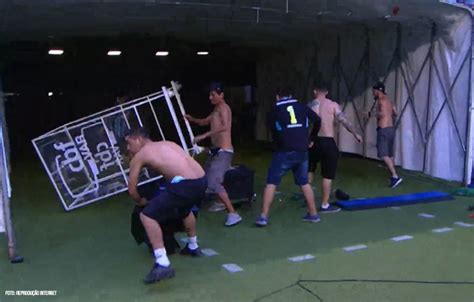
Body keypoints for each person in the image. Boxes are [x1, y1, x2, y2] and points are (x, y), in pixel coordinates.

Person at [125, 127, 207, 284]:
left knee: (147, 215)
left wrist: (140, 201)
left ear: (138, 139)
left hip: (186, 185)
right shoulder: (168, 143)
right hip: (201, 181)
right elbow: (178, 168)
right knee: (184, 209)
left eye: (128, 144)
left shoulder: (140, 155)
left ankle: (162, 263)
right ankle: (193, 246)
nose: (128, 148)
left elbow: (132, 189)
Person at [255, 87, 321, 227]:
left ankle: (263, 216)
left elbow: (272, 128)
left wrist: (279, 142)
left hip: (284, 151)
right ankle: (313, 214)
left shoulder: (275, 110)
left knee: (272, 182)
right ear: (291, 95)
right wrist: (311, 138)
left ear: (277, 97)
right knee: (304, 182)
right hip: (302, 150)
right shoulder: (302, 106)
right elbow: (318, 120)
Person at [184, 82, 242, 227]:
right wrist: (192, 119)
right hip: (215, 151)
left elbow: (225, 127)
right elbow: (205, 121)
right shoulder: (216, 109)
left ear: (221, 95)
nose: (210, 98)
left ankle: (233, 213)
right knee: (202, 176)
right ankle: (207, 203)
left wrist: (204, 136)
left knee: (214, 182)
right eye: (209, 95)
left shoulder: (224, 108)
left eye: (213, 95)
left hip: (224, 151)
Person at [307, 83, 362, 213]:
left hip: (313, 142)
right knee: (327, 175)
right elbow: (344, 121)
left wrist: (307, 140)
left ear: (315, 91)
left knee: (310, 170)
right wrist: (355, 134)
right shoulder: (332, 105)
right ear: (326, 92)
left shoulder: (310, 106)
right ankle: (325, 205)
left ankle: (307, 197)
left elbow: (305, 125)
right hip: (327, 142)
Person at [371, 82, 403, 188]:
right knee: (389, 154)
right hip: (391, 129)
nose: (372, 93)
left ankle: (395, 176)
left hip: (384, 129)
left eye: (373, 91)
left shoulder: (381, 101)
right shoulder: (389, 101)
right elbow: (396, 112)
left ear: (377, 91)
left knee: (383, 154)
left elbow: (383, 114)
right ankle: (393, 175)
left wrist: (372, 114)